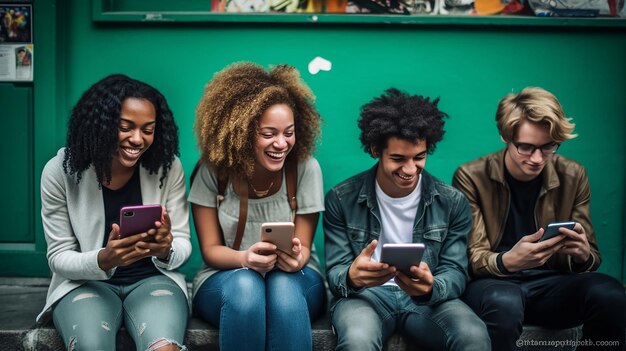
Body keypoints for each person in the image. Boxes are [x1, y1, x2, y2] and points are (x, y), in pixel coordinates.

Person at [452, 87, 626, 350]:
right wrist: (509, 260)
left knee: (610, 294)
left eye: (548, 147)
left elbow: (591, 257)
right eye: (526, 147)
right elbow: (471, 256)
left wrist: (582, 254)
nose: (537, 158)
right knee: (504, 302)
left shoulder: (573, 174)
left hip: (551, 285)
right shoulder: (471, 176)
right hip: (493, 283)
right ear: (505, 136)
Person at [324, 88, 490, 351]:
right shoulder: (341, 198)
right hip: (365, 297)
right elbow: (335, 271)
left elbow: (456, 270)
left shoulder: (452, 201)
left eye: (419, 157)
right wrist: (353, 277)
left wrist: (431, 286)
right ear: (375, 149)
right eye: (398, 159)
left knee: (473, 334)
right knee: (358, 340)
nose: (410, 169)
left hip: (428, 301)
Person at [38, 74, 191, 351]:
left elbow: (183, 243)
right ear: (100, 124)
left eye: (148, 129)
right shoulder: (59, 172)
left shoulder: (168, 167)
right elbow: (58, 257)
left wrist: (166, 249)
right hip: (83, 285)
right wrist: (103, 259)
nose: (137, 139)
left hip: (153, 280)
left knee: (164, 347)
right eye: (125, 127)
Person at [189, 62, 326, 351]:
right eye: (268, 133)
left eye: (288, 132)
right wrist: (245, 260)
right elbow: (211, 250)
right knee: (247, 287)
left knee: (282, 288)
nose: (281, 143)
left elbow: (303, 248)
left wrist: (296, 260)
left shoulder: (305, 168)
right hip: (226, 278)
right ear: (241, 132)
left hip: (295, 279)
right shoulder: (213, 171)